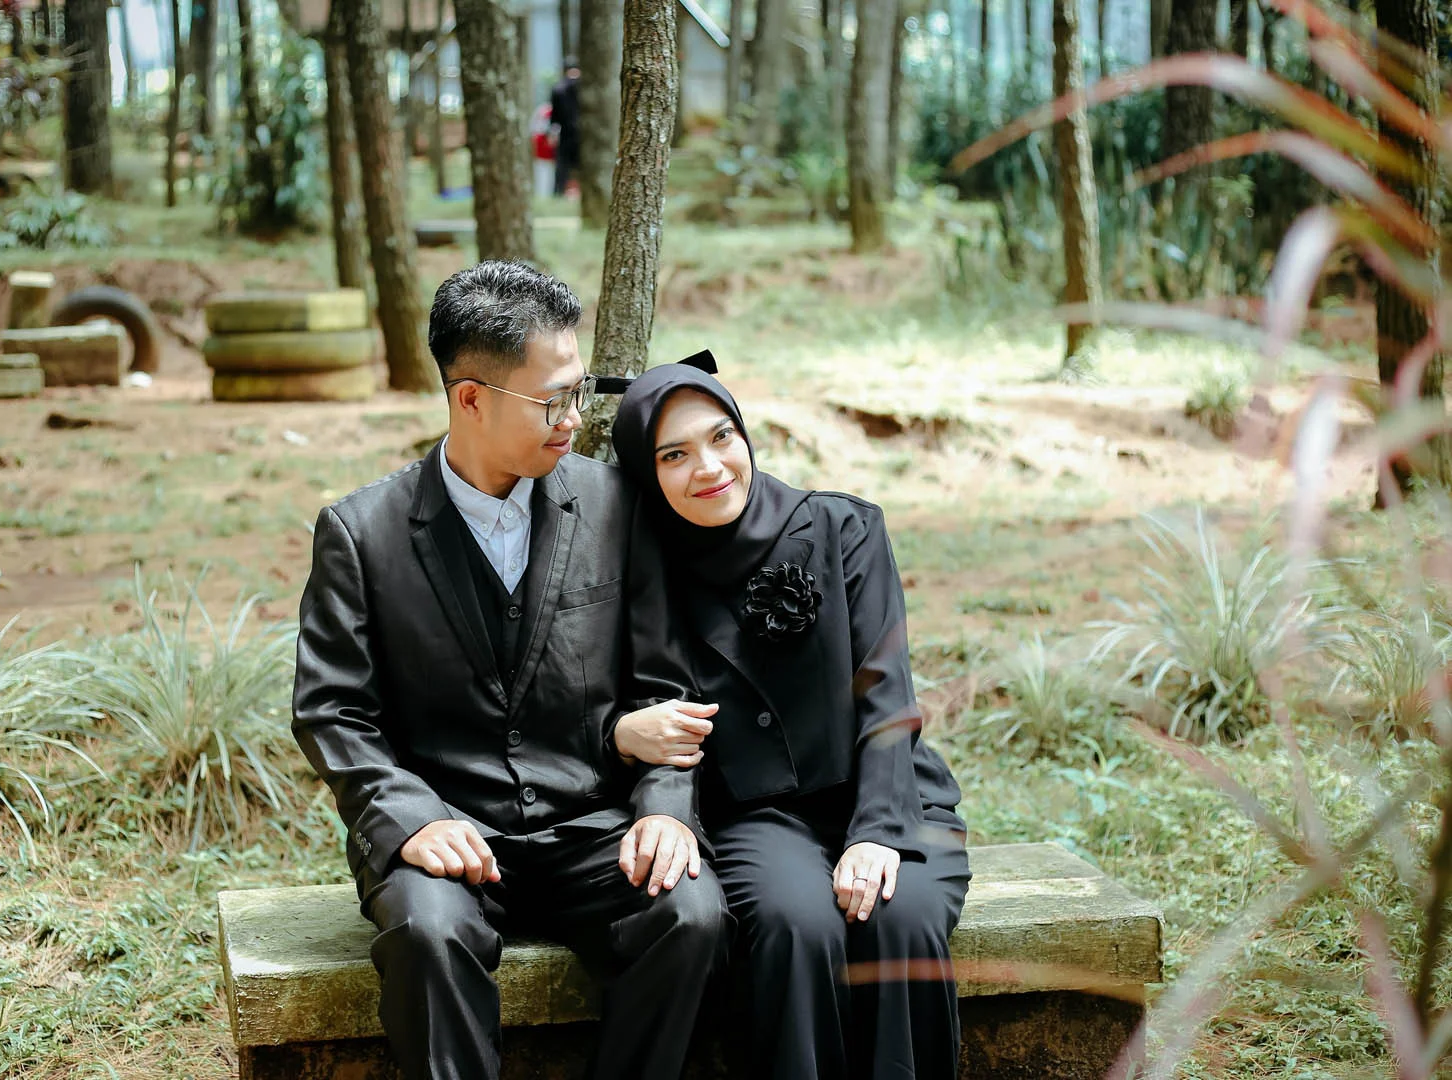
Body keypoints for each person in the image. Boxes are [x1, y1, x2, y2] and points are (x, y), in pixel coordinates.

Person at [292, 264, 728, 1080]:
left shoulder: (618, 504)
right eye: (552, 400)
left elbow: (664, 687)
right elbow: (332, 710)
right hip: (446, 830)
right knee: (427, 935)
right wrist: (410, 819)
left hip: (593, 825)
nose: (574, 418)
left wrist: (667, 810)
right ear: (470, 398)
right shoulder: (360, 532)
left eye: (578, 391)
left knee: (692, 914)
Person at [609, 355, 969, 1080]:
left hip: (890, 795)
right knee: (796, 926)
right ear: (646, 474)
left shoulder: (844, 526)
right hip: (753, 816)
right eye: (674, 455)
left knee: (900, 918)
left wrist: (877, 832)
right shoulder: (641, 570)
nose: (709, 468)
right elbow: (642, 699)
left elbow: (887, 696)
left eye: (721, 437)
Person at [549, 57, 581, 197]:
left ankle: (559, 192)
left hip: (566, 133)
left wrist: (552, 133)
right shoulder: (584, 86)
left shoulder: (558, 88)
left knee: (562, 166)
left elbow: (554, 117)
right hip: (583, 133)